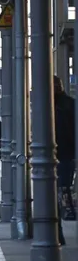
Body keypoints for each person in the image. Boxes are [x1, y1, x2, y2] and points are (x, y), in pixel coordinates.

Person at [54, 77, 75, 221]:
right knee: (65, 182)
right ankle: (66, 209)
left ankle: (63, 208)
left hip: (61, 149)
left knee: (62, 183)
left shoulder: (48, 104)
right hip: (66, 149)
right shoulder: (70, 103)